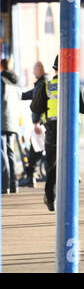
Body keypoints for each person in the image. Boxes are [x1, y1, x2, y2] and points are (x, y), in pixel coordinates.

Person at [30, 55, 84, 211]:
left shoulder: (47, 86)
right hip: (71, 130)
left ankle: (51, 198)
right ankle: (69, 198)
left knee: (52, 164)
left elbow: (35, 108)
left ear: (55, 69)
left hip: (52, 129)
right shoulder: (74, 85)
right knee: (70, 162)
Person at [21, 61, 48, 188]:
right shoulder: (43, 83)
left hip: (41, 124)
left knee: (35, 151)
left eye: (34, 70)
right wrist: (18, 94)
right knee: (43, 151)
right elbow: (30, 95)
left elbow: (37, 105)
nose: (33, 72)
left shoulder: (42, 84)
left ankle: (31, 177)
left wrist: (36, 123)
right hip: (47, 123)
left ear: (40, 70)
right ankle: (33, 176)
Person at [1, 60, 22, 194]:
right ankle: (14, 184)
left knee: (2, 154)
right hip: (13, 123)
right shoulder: (16, 82)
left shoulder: (1, 80)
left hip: (2, 121)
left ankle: (5, 185)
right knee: (10, 153)